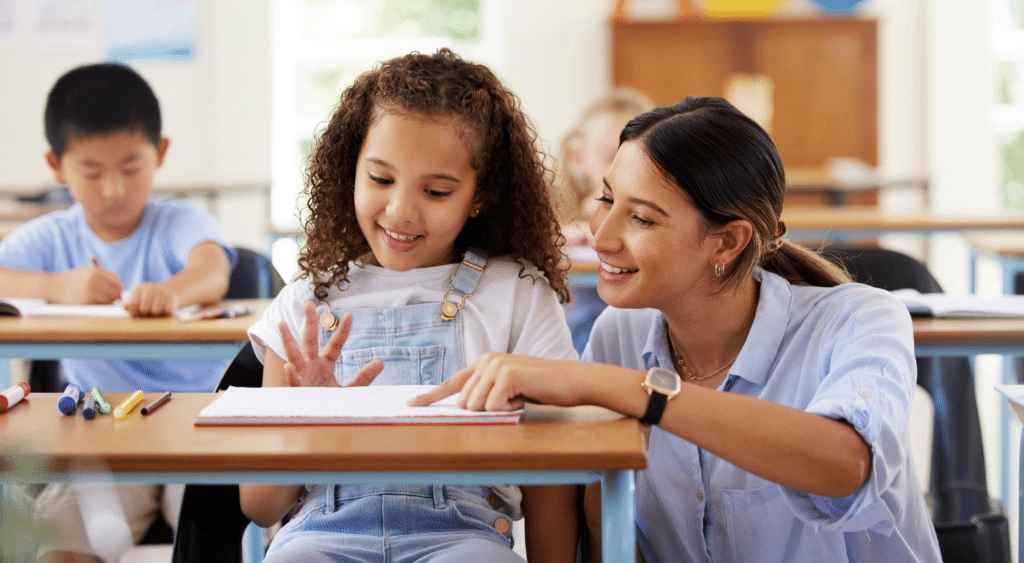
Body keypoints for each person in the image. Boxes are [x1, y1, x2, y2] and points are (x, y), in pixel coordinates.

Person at [413, 97, 943, 562]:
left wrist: (619, 389)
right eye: (606, 199)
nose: (602, 239)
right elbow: (617, 544)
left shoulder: (861, 319)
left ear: (727, 242)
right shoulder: (619, 337)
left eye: (641, 218)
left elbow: (844, 464)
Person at [239, 49, 579, 563]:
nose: (400, 210)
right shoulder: (305, 303)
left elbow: (554, 476)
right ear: (348, 169)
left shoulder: (518, 295)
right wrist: (306, 420)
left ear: (480, 194)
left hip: (463, 537)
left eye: (437, 191)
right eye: (380, 180)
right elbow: (261, 506)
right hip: (321, 537)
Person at [0, 63, 235, 563]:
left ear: (161, 154)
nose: (113, 190)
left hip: (196, 432)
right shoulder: (54, 237)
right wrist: (55, 286)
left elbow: (212, 269)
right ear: (56, 164)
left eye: (130, 169)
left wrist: (171, 292)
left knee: (214, 537)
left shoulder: (178, 220)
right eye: (91, 171)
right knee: (59, 548)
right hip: (100, 436)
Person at [558, 88, 654, 354]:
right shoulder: (562, 224)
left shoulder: (659, 218)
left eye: (642, 158)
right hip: (574, 357)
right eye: (611, 156)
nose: (626, 169)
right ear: (577, 158)